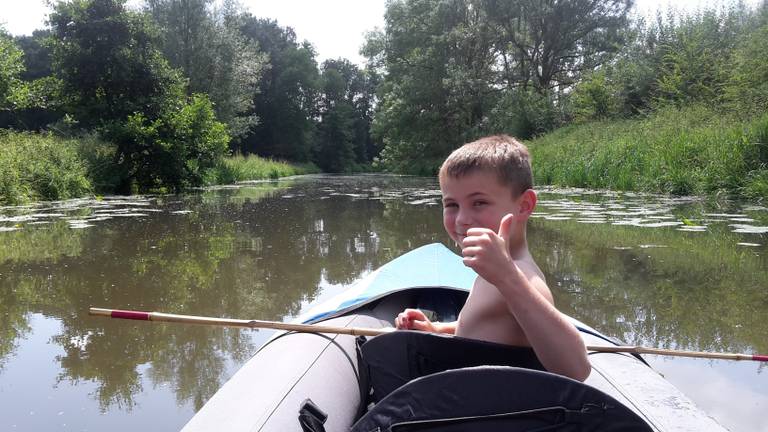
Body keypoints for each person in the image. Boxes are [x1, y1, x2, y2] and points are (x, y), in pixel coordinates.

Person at [395, 135, 591, 381]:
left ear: (523, 205)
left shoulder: (521, 276)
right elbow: (487, 331)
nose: (462, 219)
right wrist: (437, 329)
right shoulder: (497, 273)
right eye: (452, 204)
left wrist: (508, 277)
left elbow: (577, 369)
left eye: (479, 202)